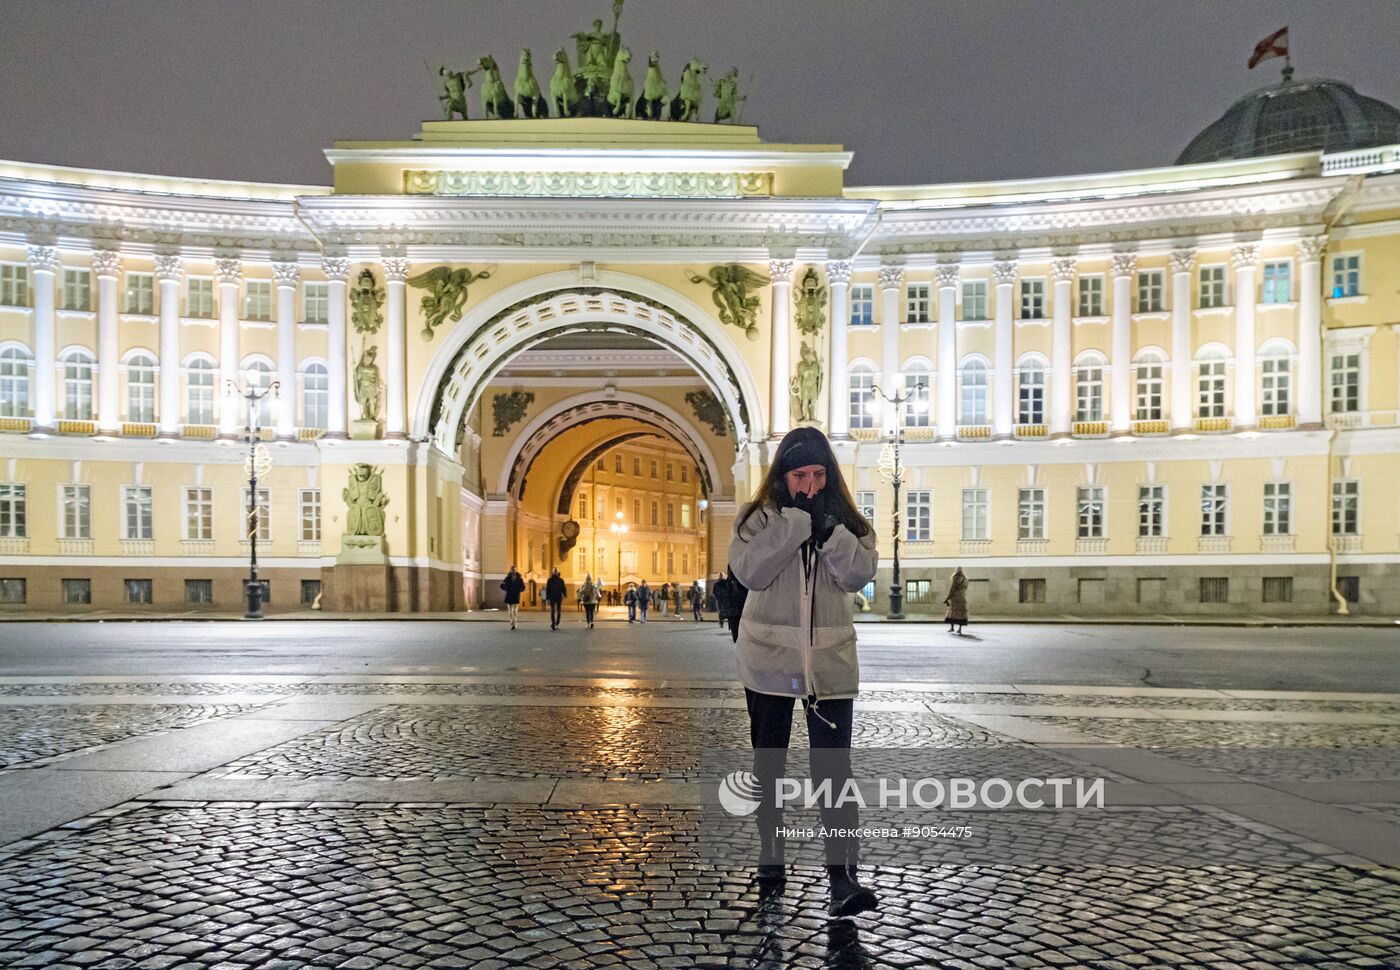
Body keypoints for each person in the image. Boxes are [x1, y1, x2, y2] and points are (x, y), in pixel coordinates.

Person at [729, 426, 879, 918]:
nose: (810, 485)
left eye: (819, 474)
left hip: (830, 662)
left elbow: (857, 575)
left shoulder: (850, 524)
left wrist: (829, 533)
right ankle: (771, 854)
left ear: (830, 475)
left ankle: (842, 878)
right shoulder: (757, 519)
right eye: (800, 475)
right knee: (768, 763)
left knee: (834, 771)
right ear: (782, 476)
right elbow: (750, 572)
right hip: (770, 660)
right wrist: (795, 525)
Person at [944, 567, 969, 634]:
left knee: (952, 613)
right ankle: (960, 629)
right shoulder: (966, 579)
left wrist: (947, 598)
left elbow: (952, 589)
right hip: (963, 597)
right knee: (961, 614)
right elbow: (966, 588)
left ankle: (952, 628)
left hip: (955, 597)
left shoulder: (956, 577)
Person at [500, 566, 526, 630]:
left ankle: (515, 623)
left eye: (514, 570)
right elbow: (501, 585)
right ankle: (512, 623)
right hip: (509, 596)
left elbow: (523, 587)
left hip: (516, 596)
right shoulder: (507, 578)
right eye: (512, 570)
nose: (513, 571)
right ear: (510, 570)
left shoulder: (519, 579)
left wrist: (518, 590)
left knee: (515, 611)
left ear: (516, 570)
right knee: (510, 611)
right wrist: (507, 589)